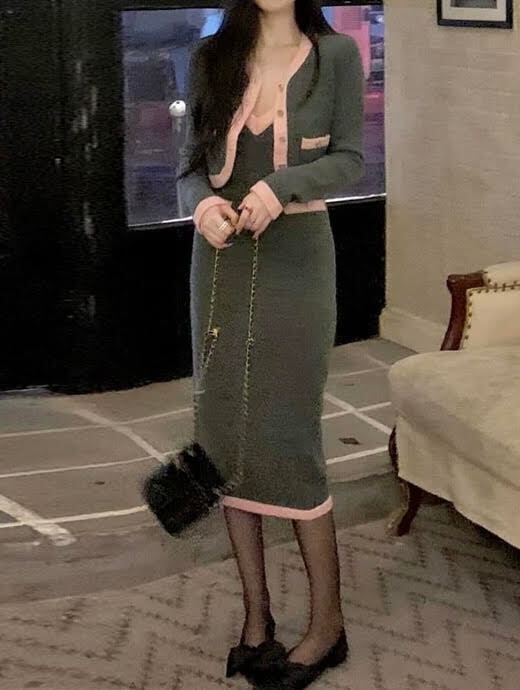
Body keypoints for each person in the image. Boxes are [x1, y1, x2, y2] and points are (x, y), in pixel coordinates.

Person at [177, 0, 364, 686]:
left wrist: (280, 188)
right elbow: (189, 167)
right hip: (220, 265)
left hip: (299, 258)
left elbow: (350, 159)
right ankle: (257, 621)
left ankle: (328, 625)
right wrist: (203, 205)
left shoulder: (336, 55)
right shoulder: (211, 58)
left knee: (289, 433)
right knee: (225, 435)